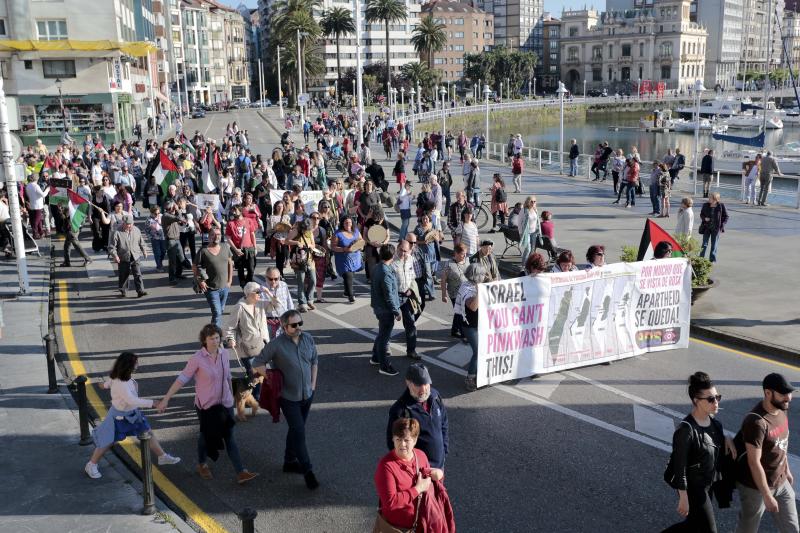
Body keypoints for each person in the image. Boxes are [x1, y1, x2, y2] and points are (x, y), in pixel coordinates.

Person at [157, 324, 259, 484]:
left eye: (217, 338)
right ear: (204, 340)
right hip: (206, 406)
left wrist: (232, 395)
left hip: (225, 403)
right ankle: (202, 464)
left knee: (229, 436)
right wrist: (166, 399)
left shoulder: (224, 353)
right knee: (205, 436)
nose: (215, 341)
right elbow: (182, 379)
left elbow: (227, 376)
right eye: (211, 338)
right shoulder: (197, 358)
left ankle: (241, 472)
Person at [252, 310, 320, 490]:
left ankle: (289, 461)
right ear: (284, 326)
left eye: (300, 323)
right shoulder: (276, 345)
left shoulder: (307, 338)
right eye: (294, 325)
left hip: (307, 394)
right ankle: (308, 470)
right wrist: (270, 376)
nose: (298, 328)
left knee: (296, 430)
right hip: (289, 398)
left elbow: (314, 361)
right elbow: (257, 363)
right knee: (299, 432)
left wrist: (313, 385)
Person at [85, 352, 180, 479]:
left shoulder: (121, 377)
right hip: (119, 418)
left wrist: (102, 385)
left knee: (147, 432)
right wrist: (154, 403)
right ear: (128, 366)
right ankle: (91, 464)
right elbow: (132, 400)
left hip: (132, 414)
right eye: (136, 362)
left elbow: (108, 384)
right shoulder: (121, 383)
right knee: (107, 441)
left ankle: (162, 456)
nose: (138, 364)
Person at [663, 372, 735, 533]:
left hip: (708, 483)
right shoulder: (686, 430)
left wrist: (727, 438)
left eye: (718, 397)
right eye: (710, 399)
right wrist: (683, 497)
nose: (716, 402)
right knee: (709, 530)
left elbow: (712, 441)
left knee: (693, 525)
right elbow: (679, 467)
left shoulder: (716, 424)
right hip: (693, 487)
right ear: (696, 400)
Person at [734, 373, 797, 533]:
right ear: (768, 393)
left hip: (781, 481)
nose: (788, 398)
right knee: (747, 530)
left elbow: (782, 443)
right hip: (756, 488)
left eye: (789, 393)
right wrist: (767, 495)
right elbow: (754, 462)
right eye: (783, 393)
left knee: (792, 529)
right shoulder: (756, 422)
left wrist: (787, 470)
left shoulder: (782, 409)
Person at [374, 418, 448, 532]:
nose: (402, 444)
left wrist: (439, 473)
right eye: (398, 439)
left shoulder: (421, 456)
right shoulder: (386, 466)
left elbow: (427, 476)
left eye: (406, 440)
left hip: (420, 525)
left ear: (415, 440)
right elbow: (390, 502)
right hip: (396, 529)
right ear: (393, 439)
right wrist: (418, 489)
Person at [386, 364, 449, 470]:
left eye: (426, 383)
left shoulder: (435, 397)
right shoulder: (401, 411)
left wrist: (444, 452)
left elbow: (444, 424)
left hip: (439, 467)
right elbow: (394, 445)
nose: (423, 389)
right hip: (420, 471)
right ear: (408, 383)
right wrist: (414, 469)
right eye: (418, 384)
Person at [224, 281, 269, 407]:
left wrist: (268, 292)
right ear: (249, 294)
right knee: (254, 373)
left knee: (259, 373)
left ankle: (254, 397)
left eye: (260, 292)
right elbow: (230, 327)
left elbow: (277, 305)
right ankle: (255, 398)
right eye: (258, 292)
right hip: (246, 348)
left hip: (261, 345)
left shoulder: (259, 304)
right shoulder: (239, 307)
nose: (260, 294)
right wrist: (230, 339)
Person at [370, 244, 401, 376]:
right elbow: (389, 295)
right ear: (392, 256)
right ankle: (384, 366)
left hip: (378, 306)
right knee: (384, 337)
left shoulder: (377, 267)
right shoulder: (386, 272)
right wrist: (396, 311)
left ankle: (375, 357)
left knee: (382, 333)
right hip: (385, 310)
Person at [194, 226, 233, 328]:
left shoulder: (225, 247)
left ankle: (211, 335)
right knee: (217, 313)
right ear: (209, 236)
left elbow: (230, 263)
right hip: (210, 288)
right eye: (213, 234)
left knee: (220, 312)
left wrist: (229, 281)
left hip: (225, 287)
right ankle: (216, 337)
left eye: (218, 234)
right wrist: (199, 281)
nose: (216, 236)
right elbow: (195, 266)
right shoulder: (203, 250)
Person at [456, 263, 485, 391]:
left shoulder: (472, 285)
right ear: (477, 276)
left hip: (479, 324)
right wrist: (479, 291)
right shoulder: (466, 288)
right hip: (470, 326)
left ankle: (480, 374)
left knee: (483, 351)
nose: (484, 276)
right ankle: (470, 378)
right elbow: (473, 307)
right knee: (478, 352)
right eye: (482, 274)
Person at [392, 239, 423, 361]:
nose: (403, 253)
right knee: (388, 324)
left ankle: (411, 350)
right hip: (394, 296)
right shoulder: (392, 262)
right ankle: (380, 350)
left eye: (405, 251)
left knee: (410, 323)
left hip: (406, 295)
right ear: (397, 248)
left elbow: (412, 276)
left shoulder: (410, 259)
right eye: (401, 250)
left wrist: (411, 289)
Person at [108, 214, 148, 298]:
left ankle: (140, 290)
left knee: (138, 274)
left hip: (135, 255)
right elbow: (111, 247)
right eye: (127, 224)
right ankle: (123, 290)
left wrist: (144, 250)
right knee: (124, 274)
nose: (129, 226)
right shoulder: (117, 232)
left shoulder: (136, 230)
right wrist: (115, 256)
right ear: (123, 223)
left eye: (131, 224)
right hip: (123, 256)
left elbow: (141, 242)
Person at [287, 219, 318, 312]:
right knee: (301, 282)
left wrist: (309, 245)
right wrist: (296, 243)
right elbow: (286, 241)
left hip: (309, 259)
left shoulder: (309, 232)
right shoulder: (295, 231)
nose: (306, 231)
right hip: (298, 260)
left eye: (308, 229)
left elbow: (313, 244)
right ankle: (302, 303)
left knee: (313, 280)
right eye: (305, 229)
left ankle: (309, 300)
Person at [330, 216, 362, 303]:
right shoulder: (337, 234)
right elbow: (333, 247)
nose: (348, 224)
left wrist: (359, 246)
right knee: (348, 276)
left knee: (349, 276)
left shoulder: (355, 231)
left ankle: (346, 291)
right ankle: (351, 296)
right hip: (343, 260)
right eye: (346, 223)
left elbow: (361, 241)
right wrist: (344, 249)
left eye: (350, 222)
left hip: (355, 259)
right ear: (342, 223)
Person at [440, 243, 468, 339]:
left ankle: (454, 330)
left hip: (466, 292)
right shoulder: (449, 265)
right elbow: (443, 280)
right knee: (461, 312)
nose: (464, 256)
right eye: (462, 254)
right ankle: (464, 333)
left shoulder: (466, 261)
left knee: (458, 311)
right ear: (456, 253)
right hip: (455, 293)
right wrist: (444, 295)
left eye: (465, 254)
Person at [226, 205, 258, 288]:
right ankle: (243, 284)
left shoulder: (248, 220)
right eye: (232, 210)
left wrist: (255, 247)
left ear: (240, 211)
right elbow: (228, 238)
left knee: (251, 268)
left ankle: (248, 283)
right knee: (240, 269)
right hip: (238, 249)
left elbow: (252, 234)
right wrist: (235, 249)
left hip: (249, 248)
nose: (233, 212)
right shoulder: (230, 223)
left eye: (235, 210)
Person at [260, 266, 295, 338]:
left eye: (276, 279)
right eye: (270, 279)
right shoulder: (261, 289)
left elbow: (289, 302)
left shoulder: (284, 285)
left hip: (283, 322)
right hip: (268, 323)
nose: (273, 281)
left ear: (280, 277)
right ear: (266, 278)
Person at [161, 200, 188, 285]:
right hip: (171, 240)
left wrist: (183, 221)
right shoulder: (166, 216)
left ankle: (178, 274)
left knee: (181, 258)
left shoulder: (171, 215)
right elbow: (179, 218)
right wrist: (178, 210)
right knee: (172, 261)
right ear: (171, 208)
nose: (175, 208)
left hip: (177, 239)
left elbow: (180, 221)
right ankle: (172, 278)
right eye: (173, 207)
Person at [699, 192, 728, 263]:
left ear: (715, 199)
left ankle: (711, 259)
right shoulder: (705, 205)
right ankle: (701, 258)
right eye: (709, 197)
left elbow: (726, 216)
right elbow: (701, 214)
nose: (708, 199)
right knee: (704, 244)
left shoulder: (721, 206)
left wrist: (722, 225)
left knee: (714, 244)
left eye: (710, 198)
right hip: (706, 227)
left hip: (716, 228)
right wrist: (704, 218)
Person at [517, 196, 540, 269]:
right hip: (526, 233)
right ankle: (523, 266)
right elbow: (519, 222)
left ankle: (530, 264)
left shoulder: (535, 209)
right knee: (528, 249)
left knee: (532, 249)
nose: (533, 203)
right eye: (531, 201)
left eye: (534, 201)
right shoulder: (523, 210)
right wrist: (521, 233)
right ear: (528, 202)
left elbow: (537, 221)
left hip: (534, 232)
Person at [25, 175, 49, 239]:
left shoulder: (28, 186)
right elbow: (43, 195)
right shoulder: (35, 186)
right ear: (36, 179)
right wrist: (48, 189)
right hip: (38, 205)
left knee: (37, 220)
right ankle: (35, 233)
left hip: (32, 204)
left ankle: (41, 232)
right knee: (37, 220)